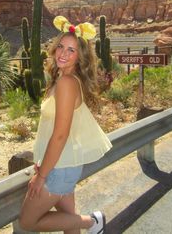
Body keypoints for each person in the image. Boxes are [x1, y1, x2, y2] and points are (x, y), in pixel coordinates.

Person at [19, 16, 112, 233]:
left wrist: (42, 176)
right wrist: (43, 162)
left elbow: (60, 134)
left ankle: (92, 222)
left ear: (80, 57)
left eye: (71, 50)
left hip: (59, 169)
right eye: (61, 46)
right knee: (68, 220)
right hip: (62, 163)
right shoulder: (67, 78)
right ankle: (89, 224)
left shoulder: (67, 83)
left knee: (27, 221)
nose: (63, 53)